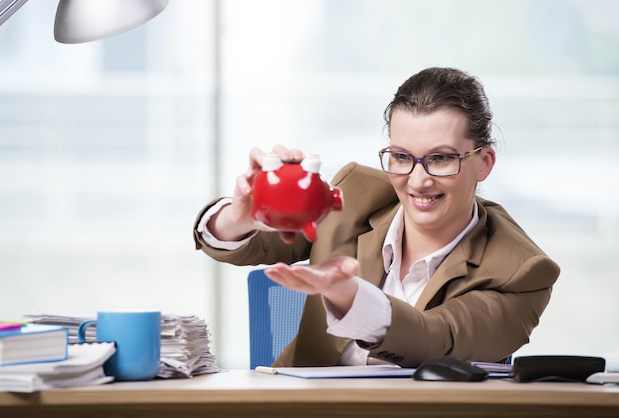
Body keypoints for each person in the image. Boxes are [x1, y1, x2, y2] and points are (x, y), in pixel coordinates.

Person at [193, 67, 560, 368]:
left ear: (484, 163)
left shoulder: (522, 271)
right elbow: (251, 243)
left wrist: (349, 296)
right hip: (300, 408)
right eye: (401, 156)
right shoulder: (354, 196)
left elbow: (438, 339)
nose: (418, 180)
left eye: (442, 158)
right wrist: (245, 214)